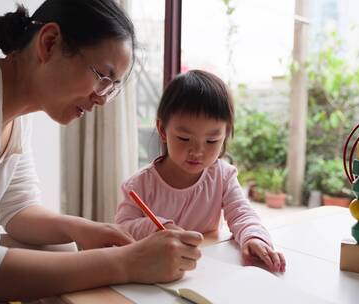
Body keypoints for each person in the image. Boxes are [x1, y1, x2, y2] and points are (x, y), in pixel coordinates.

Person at [0, 0, 203, 302]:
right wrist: (129, 263)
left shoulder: (11, 112)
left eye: (112, 88)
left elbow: (17, 209)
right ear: (49, 43)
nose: (101, 99)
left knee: (60, 247)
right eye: (102, 77)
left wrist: (85, 228)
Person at [115, 70, 286, 273]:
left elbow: (242, 213)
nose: (197, 151)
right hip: (156, 274)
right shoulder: (139, 185)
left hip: (207, 271)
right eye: (184, 139)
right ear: (162, 130)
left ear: (225, 135)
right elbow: (122, 229)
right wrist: (158, 228)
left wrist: (254, 237)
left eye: (211, 141)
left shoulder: (223, 177)